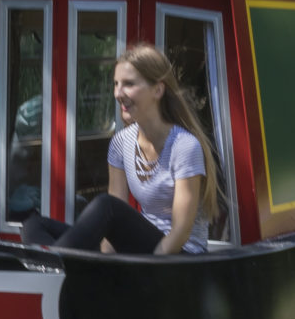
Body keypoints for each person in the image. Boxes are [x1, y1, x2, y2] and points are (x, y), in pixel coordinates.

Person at [22, 44, 220, 255]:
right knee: (34, 226)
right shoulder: (121, 143)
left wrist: (143, 269)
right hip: (141, 250)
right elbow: (110, 228)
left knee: (106, 206)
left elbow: (180, 231)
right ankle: (55, 265)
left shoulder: (185, 146)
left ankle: (53, 267)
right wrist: (109, 263)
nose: (118, 93)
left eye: (128, 84)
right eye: (116, 84)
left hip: (179, 257)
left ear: (158, 90)